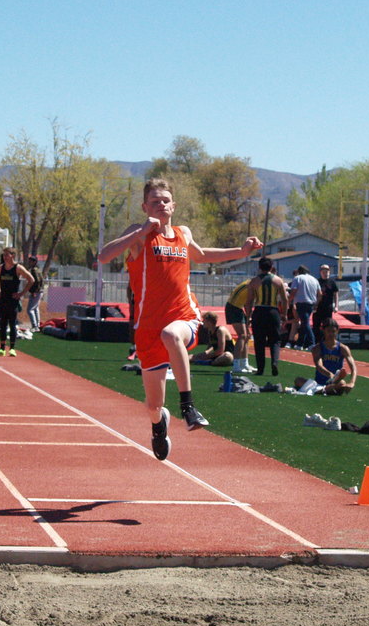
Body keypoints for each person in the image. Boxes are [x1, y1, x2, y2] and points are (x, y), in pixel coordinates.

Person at [97, 178, 262, 460]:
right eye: (155, 201)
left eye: (165, 200)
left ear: (173, 206)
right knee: (153, 406)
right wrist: (139, 231)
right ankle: (159, 425)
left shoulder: (182, 234)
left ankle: (188, 407)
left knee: (172, 335)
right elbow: (103, 256)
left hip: (183, 315)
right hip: (148, 327)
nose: (161, 205)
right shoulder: (139, 234)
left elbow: (202, 255)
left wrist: (241, 251)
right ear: (145, 206)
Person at [244, 257, 288, 377]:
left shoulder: (254, 281)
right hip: (273, 311)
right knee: (275, 340)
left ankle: (260, 368)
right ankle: (274, 362)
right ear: (271, 267)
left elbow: (249, 302)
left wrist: (248, 317)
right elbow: (285, 300)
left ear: (259, 267)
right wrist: (284, 314)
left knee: (259, 341)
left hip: (259, 311)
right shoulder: (278, 280)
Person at [0, 247, 34, 357]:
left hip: (13, 300)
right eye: (4, 255)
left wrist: (21, 293)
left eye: (7, 255)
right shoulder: (1, 267)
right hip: (3, 299)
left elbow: (31, 280)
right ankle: (1, 348)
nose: (5, 257)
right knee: (2, 323)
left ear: (13, 255)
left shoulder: (18, 268)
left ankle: (12, 348)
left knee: (12, 323)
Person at [311, 318, 356, 395]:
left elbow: (353, 367)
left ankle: (321, 390)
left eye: (333, 331)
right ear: (323, 331)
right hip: (319, 382)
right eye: (328, 331)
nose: (331, 334)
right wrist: (331, 375)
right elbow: (319, 366)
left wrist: (352, 382)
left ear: (337, 331)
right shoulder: (317, 348)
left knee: (342, 384)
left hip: (335, 382)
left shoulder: (343, 348)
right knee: (298, 380)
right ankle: (322, 390)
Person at [224, 277, 254, 373]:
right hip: (233, 307)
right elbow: (249, 303)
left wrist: (248, 317)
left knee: (247, 335)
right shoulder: (253, 285)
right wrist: (249, 317)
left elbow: (246, 302)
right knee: (242, 335)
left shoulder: (251, 282)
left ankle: (245, 363)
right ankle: (236, 365)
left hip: (238, 308)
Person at [288, 265, 320, 350]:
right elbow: (320, 294)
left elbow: (294, 291)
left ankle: (312, 343)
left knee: (305, 323)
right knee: (304, 322)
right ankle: (300, 343)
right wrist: (316, 304)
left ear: (299, 271)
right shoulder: (314, 279)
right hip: (311, 304)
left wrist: (289, 300)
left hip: (301, 303)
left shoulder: (298, 278)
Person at [312, 264, 339, 344]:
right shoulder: (317, 282)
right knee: (316, 326)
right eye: (323, 271)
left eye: (327, 271)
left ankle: (326, 342)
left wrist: (336, 306)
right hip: (318, 307)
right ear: (320, 272)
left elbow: (336, 294)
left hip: (328, 307)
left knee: (327, 325)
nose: (325, 273)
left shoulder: (332, 282)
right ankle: (316, 342)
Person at [25, 255, 45, 332]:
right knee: (35, 308)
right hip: (40, 291)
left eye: (31, 261)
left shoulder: (34, 270)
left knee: (29, 310)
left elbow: (37, 281)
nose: (29, 262)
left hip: (37, 291)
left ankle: (34, 326)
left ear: (34, 262)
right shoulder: (38, 269)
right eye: (29, 260)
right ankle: (38, 325)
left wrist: (34, 291)